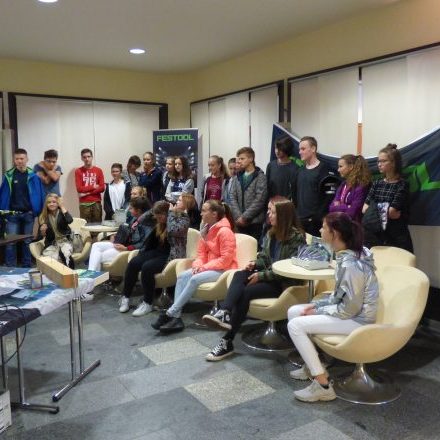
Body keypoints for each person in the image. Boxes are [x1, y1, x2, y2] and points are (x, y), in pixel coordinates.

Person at [287, 212, 378, 403]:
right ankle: (314, 366)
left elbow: (349, 310)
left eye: (323, 227)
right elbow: (339, 297)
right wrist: (316, 305)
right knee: (294, 311)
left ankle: (323, 386)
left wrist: (318, 310)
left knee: (295, 325)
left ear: (334, 233)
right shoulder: (346, 257)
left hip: (358, 320)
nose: (320, 230)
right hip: (350, 313)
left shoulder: (351, 265)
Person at [203, 200, 305, 361]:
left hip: (284, 284)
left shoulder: (296, 238)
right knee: (240, 274)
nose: (268, 214)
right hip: (269, 276)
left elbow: (288, 270)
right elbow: (264, 258)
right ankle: (224, 312)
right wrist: (255, 264)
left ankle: (227, 340)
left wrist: (261, 276)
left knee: (246, 292)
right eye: (268, 210)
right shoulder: (271, 233)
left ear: (283, 215)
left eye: (272, 211)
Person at [152, 200, 237, 333]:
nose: (201, 213)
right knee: (182, 276)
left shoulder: (225, 231)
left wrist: (203, 268)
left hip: (225, 270)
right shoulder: (205, 230)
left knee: (194, 279)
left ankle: (170, 313)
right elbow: (200, 254)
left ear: (214, 214)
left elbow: (226, 260)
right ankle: (176, 318)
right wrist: (198, 265)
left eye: (204, 210)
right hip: (209, 267)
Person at [118, 201, 172, 316]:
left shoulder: (177, 221)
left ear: (167, 214)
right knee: (133, 263)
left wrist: (171, 212)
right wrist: (154, 209)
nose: (158, 217)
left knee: (147, 267)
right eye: (156, 215)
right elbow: (142, 219)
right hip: (155, 251)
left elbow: (176, 229)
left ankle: (148, 303)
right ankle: (126, 297)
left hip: (169, 255)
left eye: (161, 215)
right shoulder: (158, 223)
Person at [362, 144, 413, 252]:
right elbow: (365, 209)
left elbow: (392, 212)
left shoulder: (402, 184)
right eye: (378, 161)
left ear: (394, 163)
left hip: (396, 235)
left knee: (399, 261)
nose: (379, 164)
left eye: (383, 161)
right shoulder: (376, 183)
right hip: (374, 235)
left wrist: (374, 209)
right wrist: (386, 210)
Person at [0, 148, 45, 267]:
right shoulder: (9, 175)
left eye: (22, 158)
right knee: (10, 242)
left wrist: (36, 212)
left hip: (28, 214)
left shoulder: (33, 176)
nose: (20, 161)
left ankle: (26, 267)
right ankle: (10, 268)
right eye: (17, 159)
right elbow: (3, 195)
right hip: (12, 215)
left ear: (27, 159)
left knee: (27, 242)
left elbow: (39, 195)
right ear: (14, 160)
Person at [294, 136, 332, 237]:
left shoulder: (325, 170)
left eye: (303, 149)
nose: (300, 152)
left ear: (313, 149)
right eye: (299, 149)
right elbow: (295, 194)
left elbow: (328, 197)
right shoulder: (300, 171)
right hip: (300, 220)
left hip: (316, 223)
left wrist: (317, 217)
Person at [229, 147, 267, 241]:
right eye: (239, 159)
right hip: (239, 221)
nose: (239, 161)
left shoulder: (260, 177)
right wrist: (239, 216)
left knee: (252, 248)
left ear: (251, 159)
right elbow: (232, 196)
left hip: (254, 222)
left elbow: (260, 200)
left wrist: (245, 217)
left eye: (242, 158)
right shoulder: (237, 177)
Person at [329, 154, 371, 222]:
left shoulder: (361, 187)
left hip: (353, 225)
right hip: (340, 223)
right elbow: (331, 208)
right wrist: (347, 206)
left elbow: (352, 212)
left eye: (341, 166)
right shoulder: (343, 184)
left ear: (351, 167)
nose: (338, 170)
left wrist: (339, 206)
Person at [37, 194, 74, 268]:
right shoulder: (43, 216)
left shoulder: (62, 212)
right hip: (51, 243)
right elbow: (40, 236)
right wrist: (43, 231)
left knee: (65, 254)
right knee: (52, 259)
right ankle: (56, 273)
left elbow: (70, 220)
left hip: (65, 240)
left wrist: (62, 206)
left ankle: (71, 272)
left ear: (58, 203)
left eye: (54, 202)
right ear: (46, 204)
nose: (51, 204)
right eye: (49, 202)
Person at [75, 148, 105, 223]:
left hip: (96, 202)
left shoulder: (98, 170)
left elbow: (102, 188)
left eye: (88, 156)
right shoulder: (78, 171)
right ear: (82, 158)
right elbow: (79, 189)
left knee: (97, 226)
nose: (87, 159)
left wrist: (87, 193)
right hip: (84, 204)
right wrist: (93, 186)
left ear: (92, 157)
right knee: (85, 227)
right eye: (84, 157)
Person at [266, 135, 298, 200]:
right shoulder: (271, 165)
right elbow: (267, 186)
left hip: (286, 204)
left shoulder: (295, 168)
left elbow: (295, 191)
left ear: (287, 149)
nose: (277, 151)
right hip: (271, 203)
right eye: (276, 148)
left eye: (280, 149)